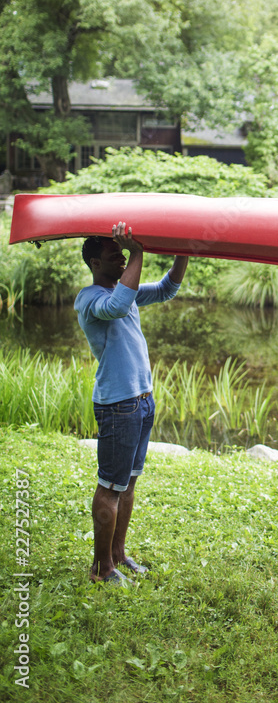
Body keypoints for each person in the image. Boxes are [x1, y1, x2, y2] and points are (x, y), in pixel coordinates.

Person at [75, 221, 189, 586]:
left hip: (142, 401)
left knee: (128, 483)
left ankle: (118, 556)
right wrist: (139, 252)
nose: (122, 257)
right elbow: (119, 304)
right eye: (115, 254)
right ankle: (100, 568)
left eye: (124, 253)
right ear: (95, 263)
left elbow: (168, 289)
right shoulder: (90, 299)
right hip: (117, 405)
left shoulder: (124, 290)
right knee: (110, 486)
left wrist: (183, 249)